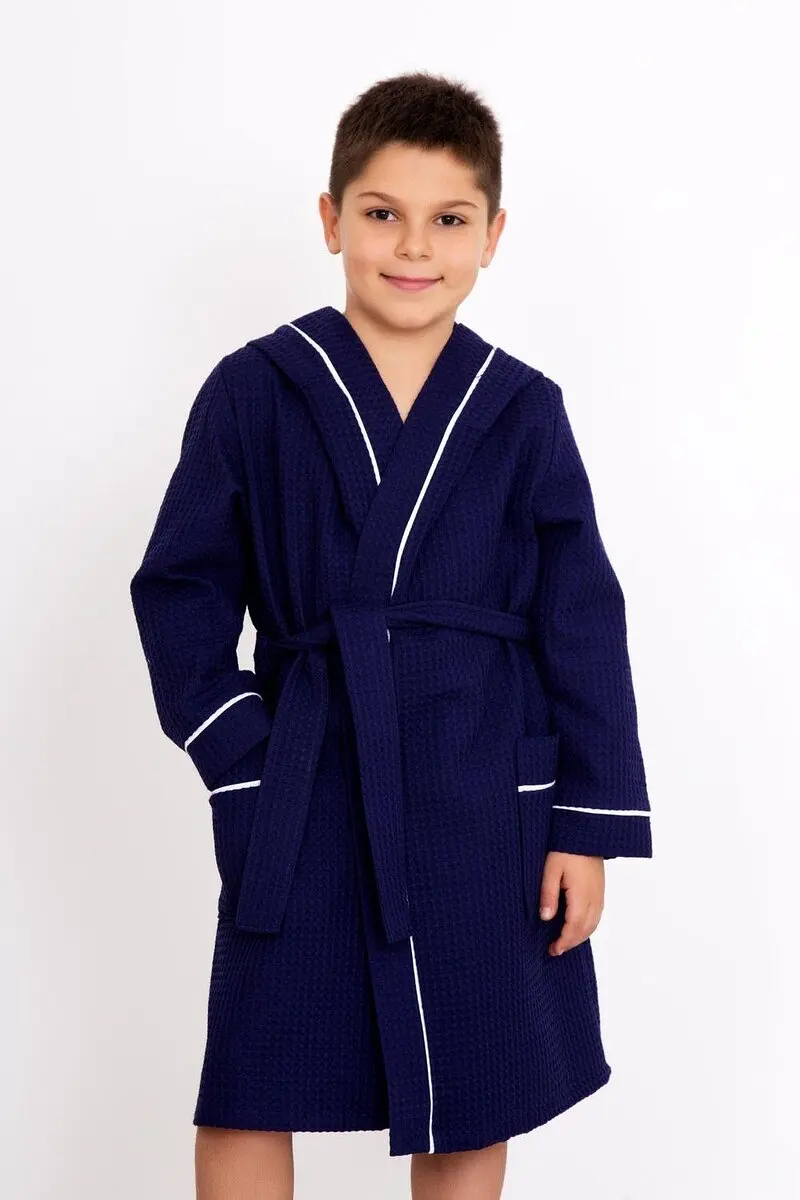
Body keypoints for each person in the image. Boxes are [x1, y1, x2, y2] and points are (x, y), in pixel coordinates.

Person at [129, 70, 652, 1200]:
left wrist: (585, 824)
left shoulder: (521, 408)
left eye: (449, 219)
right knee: (254, 1077)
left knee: (473, 1080)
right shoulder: (255, 390)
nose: (414, 247)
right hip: (305, 779)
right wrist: (243, 762)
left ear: (492, 236)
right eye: (382, 213)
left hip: (484, 792)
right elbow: (179, 592)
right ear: (331, 220)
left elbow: (581, 620)